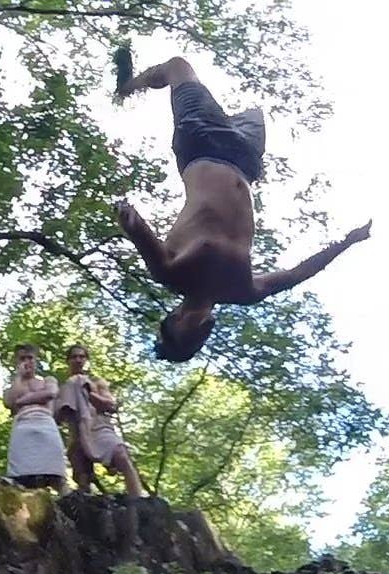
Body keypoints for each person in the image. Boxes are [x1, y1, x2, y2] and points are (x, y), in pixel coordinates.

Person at [113, 52, 372, 363]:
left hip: (201, 142)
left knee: (177, 67)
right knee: (257, 109)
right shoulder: (243, 291)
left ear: (175, 317)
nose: (189, 324)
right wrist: (348, 242)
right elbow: (298, 273)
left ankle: (129, 85)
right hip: (245, 160)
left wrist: (127, 216)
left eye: (180, 327)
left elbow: (138, 230)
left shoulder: (170, 273)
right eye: (192, 339)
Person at [54, 343, 146, 497]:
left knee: (122, 456)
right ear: (68, 361)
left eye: (82, 357)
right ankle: (87, 503)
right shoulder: (65, 387)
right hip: (78, 434)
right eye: (74, 357)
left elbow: (111, 406)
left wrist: (87, 392)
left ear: (86, 360)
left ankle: (138, 500)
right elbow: (58, 417)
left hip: (101, 428)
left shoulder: (97, 383)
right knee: (82, 476)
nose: (78, 360)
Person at [2, 343, 69, 490]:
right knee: (20, 478)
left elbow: (51, 393)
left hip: (46, 424)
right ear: (16, 362)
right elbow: (9, 401)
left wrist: (22, 400)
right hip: (22, 427)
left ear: (36, 360)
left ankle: (71, 509)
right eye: (22, 358)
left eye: (30, 358)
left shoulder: (47, 380)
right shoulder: (13, 387)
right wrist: (19, 377)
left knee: (57, 476)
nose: (27, 361)